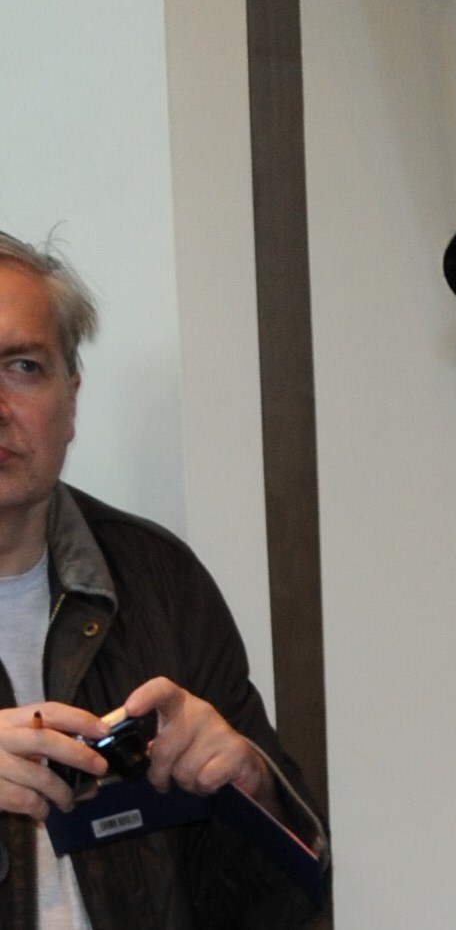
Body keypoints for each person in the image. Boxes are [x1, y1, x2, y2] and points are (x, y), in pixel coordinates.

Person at [0, 231, 325, 928]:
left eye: (22, 365)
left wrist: (248, 788)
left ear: (71, 399)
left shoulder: (158, 580)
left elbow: (289, 894)